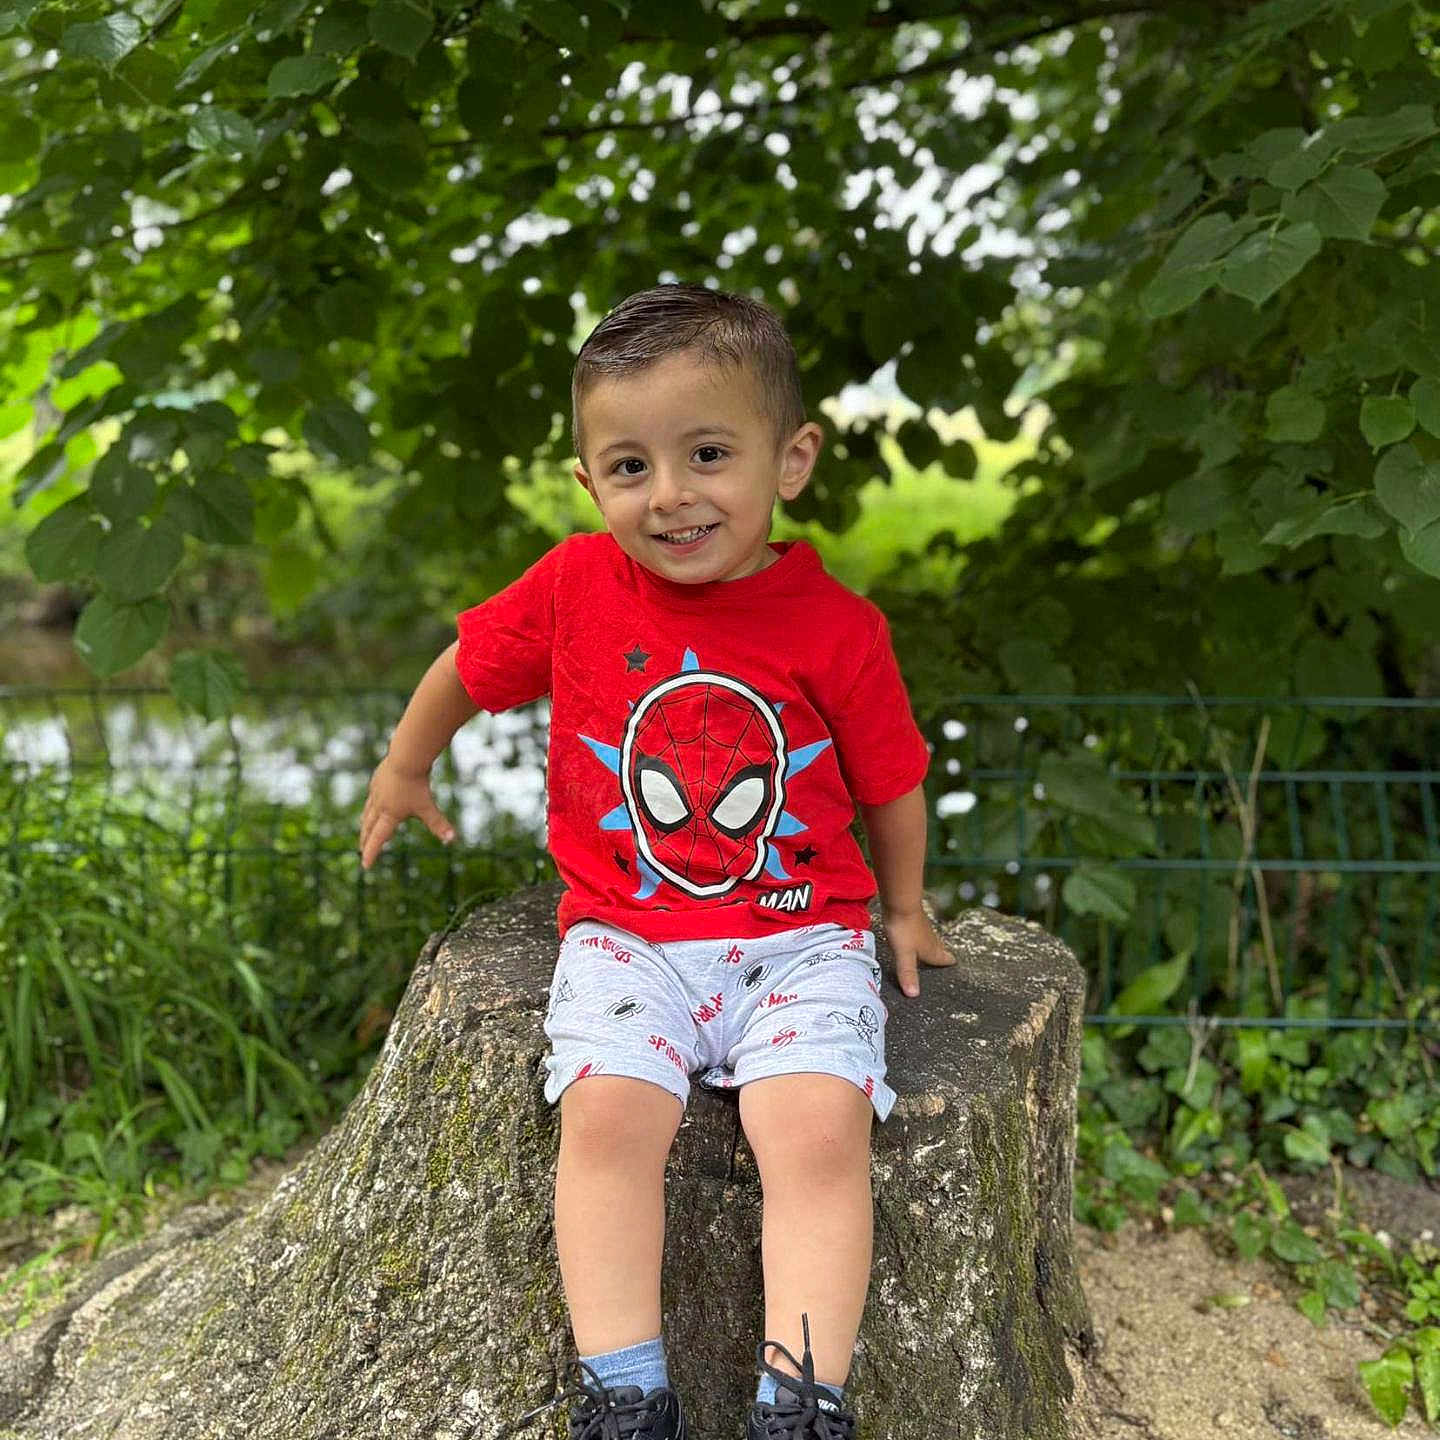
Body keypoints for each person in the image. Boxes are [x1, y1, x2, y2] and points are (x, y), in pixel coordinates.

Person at [358, 283, 956, 1440]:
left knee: (819, 1130)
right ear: (590, 485)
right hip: (630, 941)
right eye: (630, 466)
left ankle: (802, 1402)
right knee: (608, 1119)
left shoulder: (836, 626)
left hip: (800, 940)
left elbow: (891, 779)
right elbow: (466, 666)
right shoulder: (577, 586)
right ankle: (626, 1390)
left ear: (791, 460)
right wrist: (404, 768)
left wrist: (907, 906)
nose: (671, 494)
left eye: (709, 453)